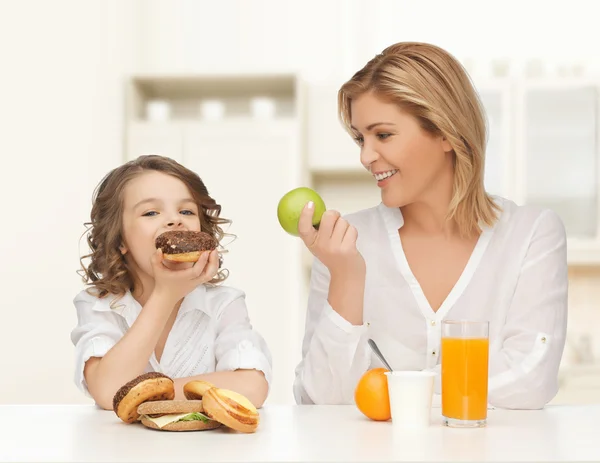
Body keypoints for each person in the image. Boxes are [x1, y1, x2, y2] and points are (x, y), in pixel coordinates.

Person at [293, 42, 568, 409]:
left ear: (445, 133)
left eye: (383, 135)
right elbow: (318, 402)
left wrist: (396, 389)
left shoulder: (532, 235)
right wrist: (346, 277)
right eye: (361, 138)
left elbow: (530, 379)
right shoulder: (342, 245)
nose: (365, 156)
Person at [71, 155, 272, 409]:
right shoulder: (98, 306)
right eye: (151, 212)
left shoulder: (223, 303)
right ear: (120, 240)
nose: (175, 220)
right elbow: (109, 391)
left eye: (186, 211)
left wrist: (146, 393)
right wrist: (165, 296)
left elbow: (252, 386)